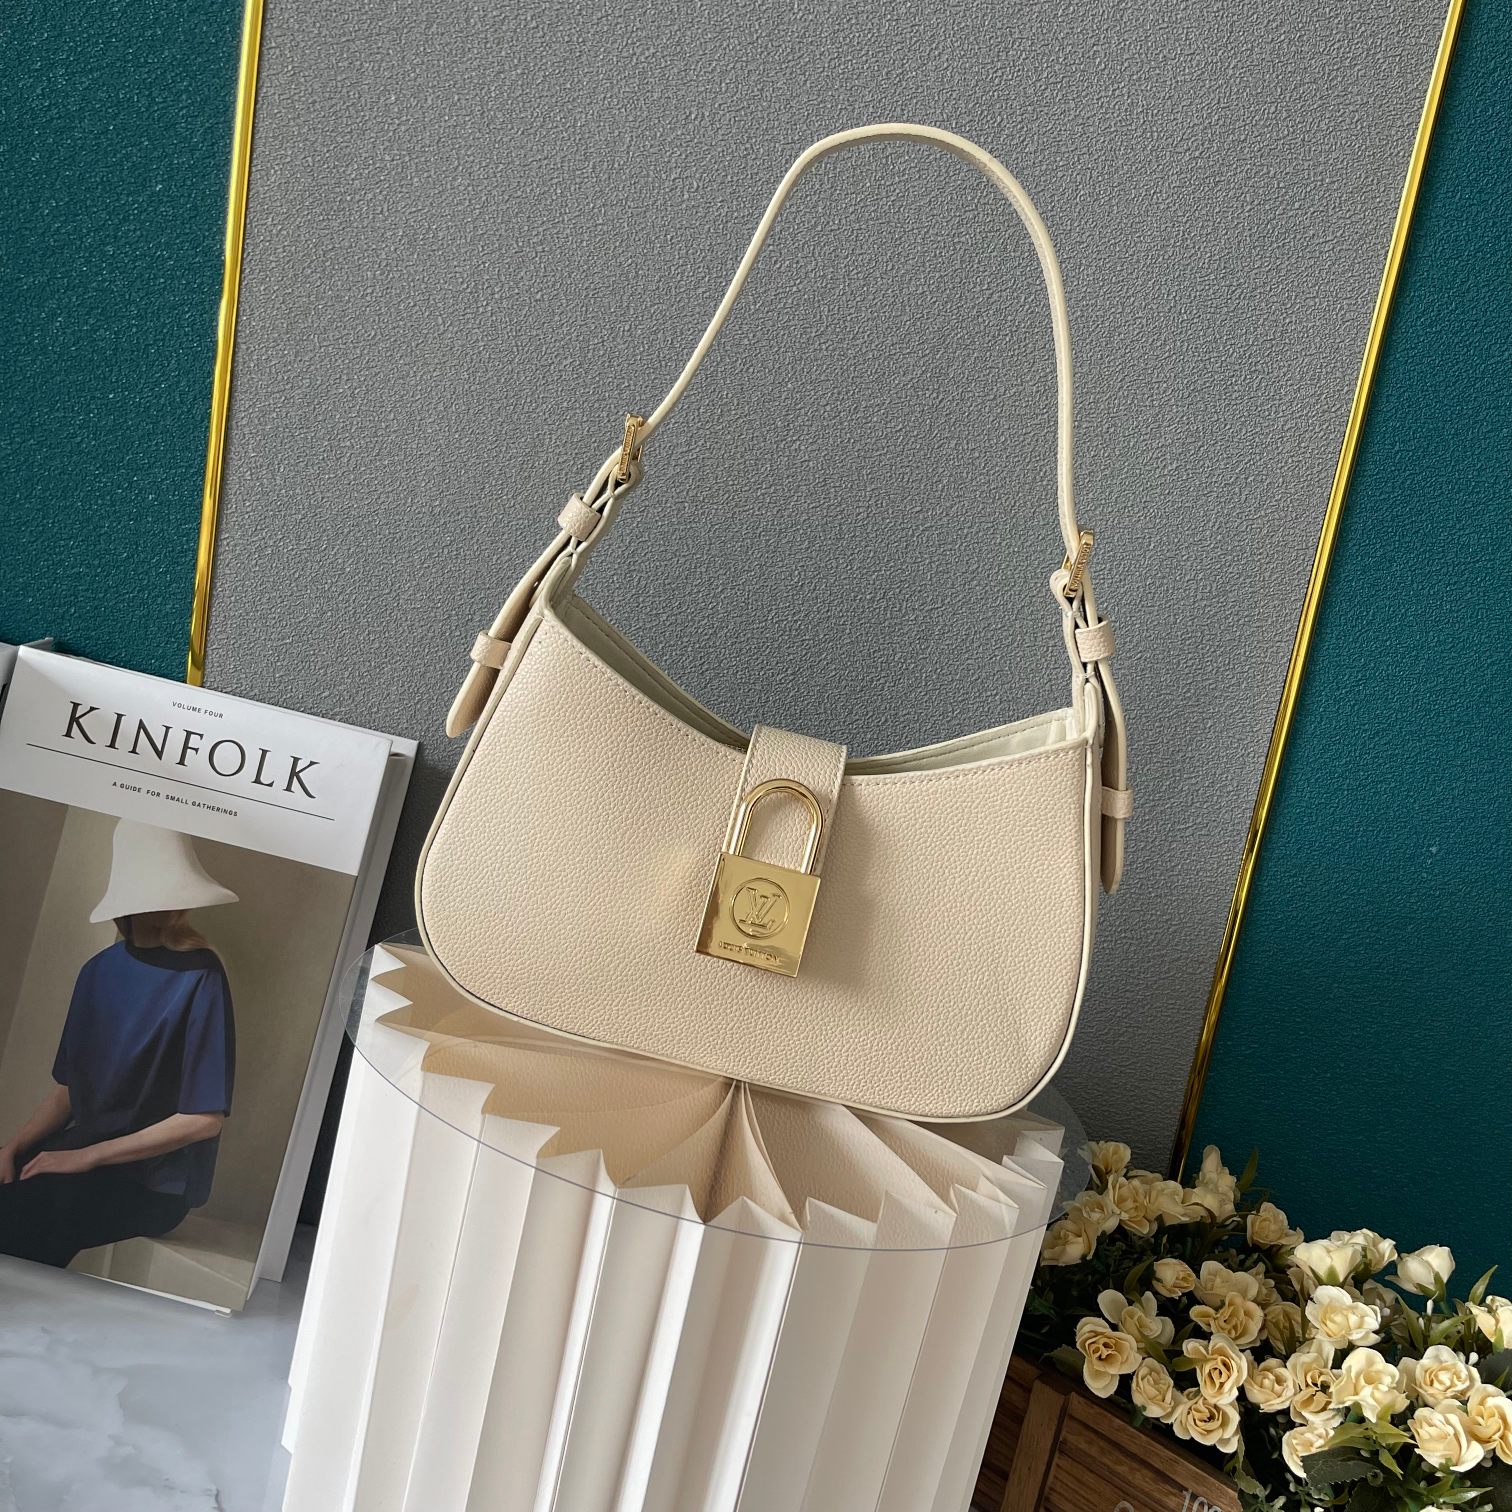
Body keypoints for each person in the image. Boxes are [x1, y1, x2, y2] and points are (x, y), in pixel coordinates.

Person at [0, 820, 238, 1268]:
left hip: (153, 1183)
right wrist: (11, 1147)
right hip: (81, 1155)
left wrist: (88, 1157)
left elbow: (203, 1120)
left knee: (40, 1211)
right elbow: (68, 1092)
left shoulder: (201, 974)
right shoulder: (96, 972)